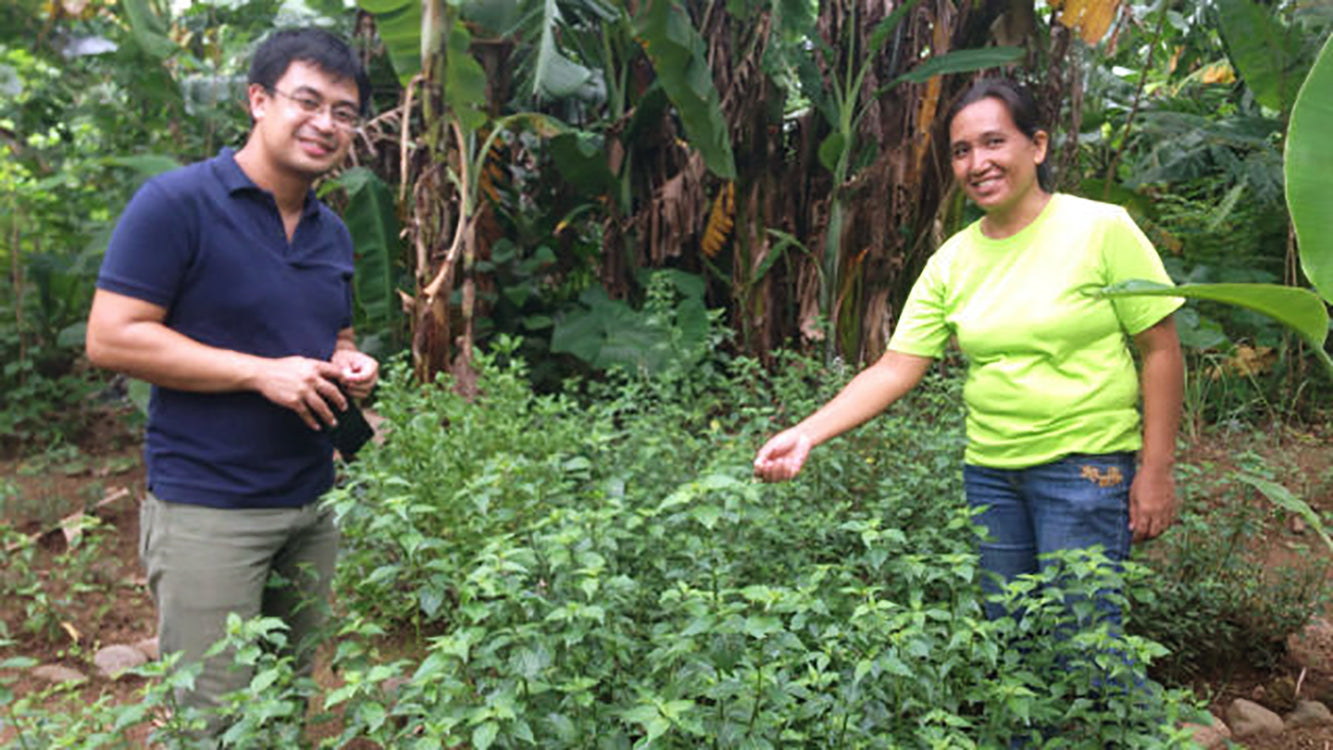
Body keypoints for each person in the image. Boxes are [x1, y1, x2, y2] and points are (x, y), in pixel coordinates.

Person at [753, 78, 1184, 624]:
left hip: (1085, 468)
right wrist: (806, 433)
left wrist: (1156, 470)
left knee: (1084, 643)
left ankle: (1139, 714)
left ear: (1038, 146)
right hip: (992, 473)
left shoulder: (1100, 229)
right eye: (962, 151)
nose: (978, 163)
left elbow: (1161, 351)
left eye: (994, 142)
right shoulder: (952, 261)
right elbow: (894, 368)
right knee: (1010, 635)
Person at [85, 28, 378, 730]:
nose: (325, 124)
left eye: (343, 112)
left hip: (312, 504)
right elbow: (111, 337)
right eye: (307, 101)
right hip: (209, 510)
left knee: (285, 705)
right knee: (214, 720)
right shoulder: (177, 204)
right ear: (257, 100)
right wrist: (258, 374)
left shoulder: (330, 231)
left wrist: (349, 362)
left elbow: (327, 335)